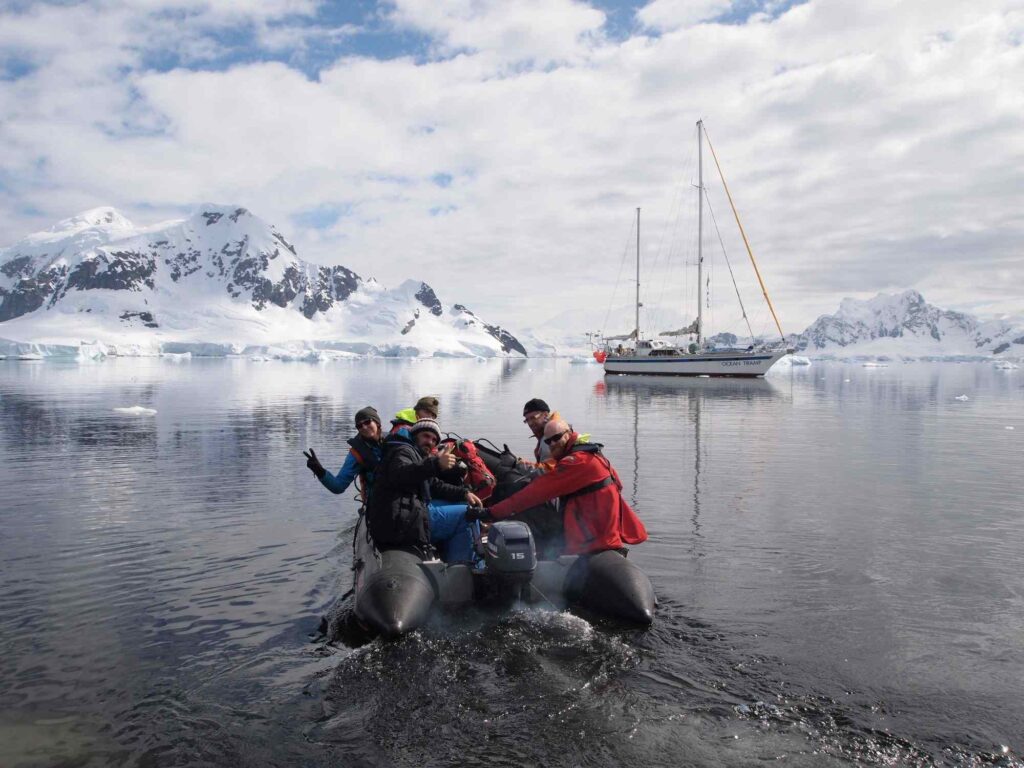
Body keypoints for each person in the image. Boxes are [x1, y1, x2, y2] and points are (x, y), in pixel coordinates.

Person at [481, 418, 647, 556]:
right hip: (604, 534)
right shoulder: (592, 453)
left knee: (522, 503)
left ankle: (539, 560)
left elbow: (532, 494)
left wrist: (491, 513)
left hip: (591, 541)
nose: (552, 443)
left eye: (557, 438)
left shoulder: (576, 461)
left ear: (569, 434)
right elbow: (619, 483)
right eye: (548, 441)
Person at [369, 417, 482, 562]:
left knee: (465, 505)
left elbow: (434, 485)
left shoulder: (413, 453)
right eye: (426, 436)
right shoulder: (402, 451)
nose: (430, 441)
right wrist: (436, 464)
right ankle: (461, 569)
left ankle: (448, 556)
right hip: (400, 521)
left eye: (434, 439)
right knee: (467, 516)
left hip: (405, 512)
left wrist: (464, 493)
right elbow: (402, 473)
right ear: (415, 435)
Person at [304, 406, 384, 505]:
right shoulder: (356, 454)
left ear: (377, 422)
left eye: (367, 422)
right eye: (359, 426)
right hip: (377, 507)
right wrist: (319, 471)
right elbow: (338, 487)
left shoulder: (396, 442)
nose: (364, 427)